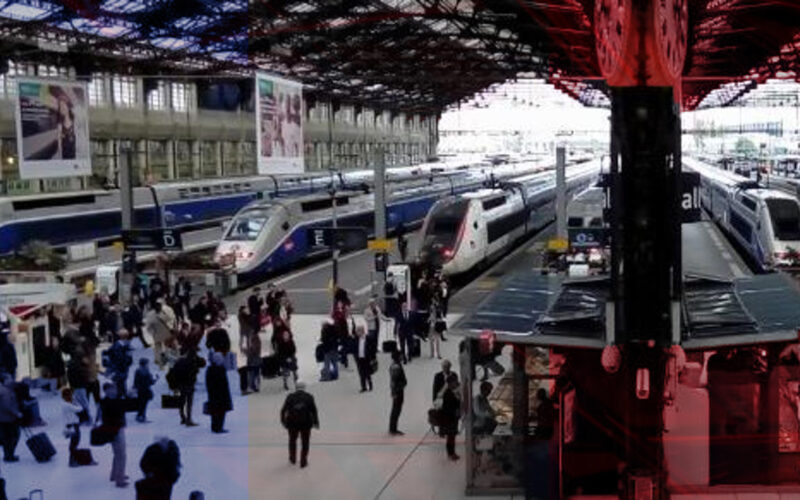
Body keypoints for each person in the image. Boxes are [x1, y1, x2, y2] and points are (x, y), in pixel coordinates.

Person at [96, 382, 128, 488]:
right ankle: (120, 479)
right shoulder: (110, 402)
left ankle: (115, 475)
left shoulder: (105, 401)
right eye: (112, 389)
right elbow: (118, 413)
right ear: (107, 391)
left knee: (117, 454)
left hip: (113, 429)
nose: (115, 391)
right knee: (121, 455)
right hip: (116, 430)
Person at [280, 381, 319, 468]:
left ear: (296, 388)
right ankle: (303, 461)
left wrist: (283, 421)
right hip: (306, 423)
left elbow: (283, 410)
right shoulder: (309, 397)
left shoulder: (290, 397)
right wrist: (316, 422)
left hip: (292, 423)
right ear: (304, 388)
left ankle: (292, 458)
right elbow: (314, 411)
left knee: (292, 441)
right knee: (305, 442)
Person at [171, 347, 204, 427]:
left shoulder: (179, 361)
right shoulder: (193, 362)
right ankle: (189, 419)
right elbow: (202, 364)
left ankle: (183, 417)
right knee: (189, 402)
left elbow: (173, 373)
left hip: (180, 384)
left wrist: (174, 384)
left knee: (181, 402)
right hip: (189, 384)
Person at [62, 387, 94, 467]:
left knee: (74, 443)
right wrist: (76, 402)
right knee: (74, 443)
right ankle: (72, 461)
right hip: (72, 426)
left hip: (74, 425)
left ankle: (74, 460)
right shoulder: (67, 405)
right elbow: (79, 409)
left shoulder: (66, 404)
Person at [205, 352, 232, 433]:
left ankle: (214, 426)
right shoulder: (220, 370)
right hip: (221, 395)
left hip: (213, 395)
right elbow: (224, 383)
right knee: (221, 412)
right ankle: (219, 427)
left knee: (214, 412)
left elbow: (208, 383)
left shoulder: (209, 370)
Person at [105, 330, 133, 398]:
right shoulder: (122, 345)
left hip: (121, 366)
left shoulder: (121, 345)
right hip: (121, 366)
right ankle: (121, 393)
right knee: (121, 380)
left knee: (121, 380)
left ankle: (121, 393)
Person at [440, 373, 461, 460]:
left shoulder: (452, 392)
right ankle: (450, 453)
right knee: (450, 437)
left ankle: (452, 453)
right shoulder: (448, 394)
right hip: (450, 419)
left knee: (452, 437)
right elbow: (449, 408)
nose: (456, 383)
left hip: (452, 418)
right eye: (455, 382)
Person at [0, 374, 21, 462]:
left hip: (2, 418)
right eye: (9, 379)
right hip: (8, 418)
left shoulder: (3, 390)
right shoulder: (6, 392)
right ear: (4, 381)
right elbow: (7, 405)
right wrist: (17, 413)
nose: (12, 380)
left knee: (6, 438)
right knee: (12, 437)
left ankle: (8, 455)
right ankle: (9, 455)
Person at [145, 302, 172, 370]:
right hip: (165, 333)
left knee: (158, 349)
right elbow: (169, 321)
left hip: (157, 334)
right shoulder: (163, 313)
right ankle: (164, 361)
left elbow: (148, 327)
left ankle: (158, 360)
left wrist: (152, 332)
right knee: (165, 348)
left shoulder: (151, 315)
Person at [388, 350, 407, 436]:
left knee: (396, 410)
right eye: (401, 355)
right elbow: (393, 381)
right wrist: (394, 392)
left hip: (399, 389)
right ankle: (393, 429)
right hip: (398, 391)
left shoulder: (396, 365)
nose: (402, 356)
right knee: (396, 410)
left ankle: (393, 428)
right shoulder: (396, 367)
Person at [133, 359, 157, 423]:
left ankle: (140, 416)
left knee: (142, 404)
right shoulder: (146, 371)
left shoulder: (138, 371)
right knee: (143, 404)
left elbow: (136, 382)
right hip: (145, 390)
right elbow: (150, 382)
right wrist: (154, 380)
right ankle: (141, 416)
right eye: (147, 363)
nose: (147, 364)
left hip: (141, 390)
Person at [354, 325, 375, 392]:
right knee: (361, 373)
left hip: (366, 358)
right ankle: (363, 387)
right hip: (359, 358)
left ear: (362, 331)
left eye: (358, 331)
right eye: (356, 331)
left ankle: (370, 384)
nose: (357, 333)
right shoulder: (356, 339)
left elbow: (372, 348)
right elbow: (354, 347)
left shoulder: (368, 338)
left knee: (367, 372)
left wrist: (372, 358)